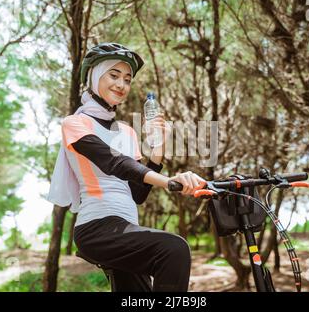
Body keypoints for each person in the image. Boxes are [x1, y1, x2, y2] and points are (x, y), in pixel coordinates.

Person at [47, 42, 206, 292]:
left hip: (127, 227)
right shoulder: (75, 123)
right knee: (174, 249)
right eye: (113, 75)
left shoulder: (127, 132)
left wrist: (158, 148)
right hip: (97, 227)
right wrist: (169, 182)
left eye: (127, 79)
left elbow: (137, 194)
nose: (121, 85)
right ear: (95, 75)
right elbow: (114, 162)